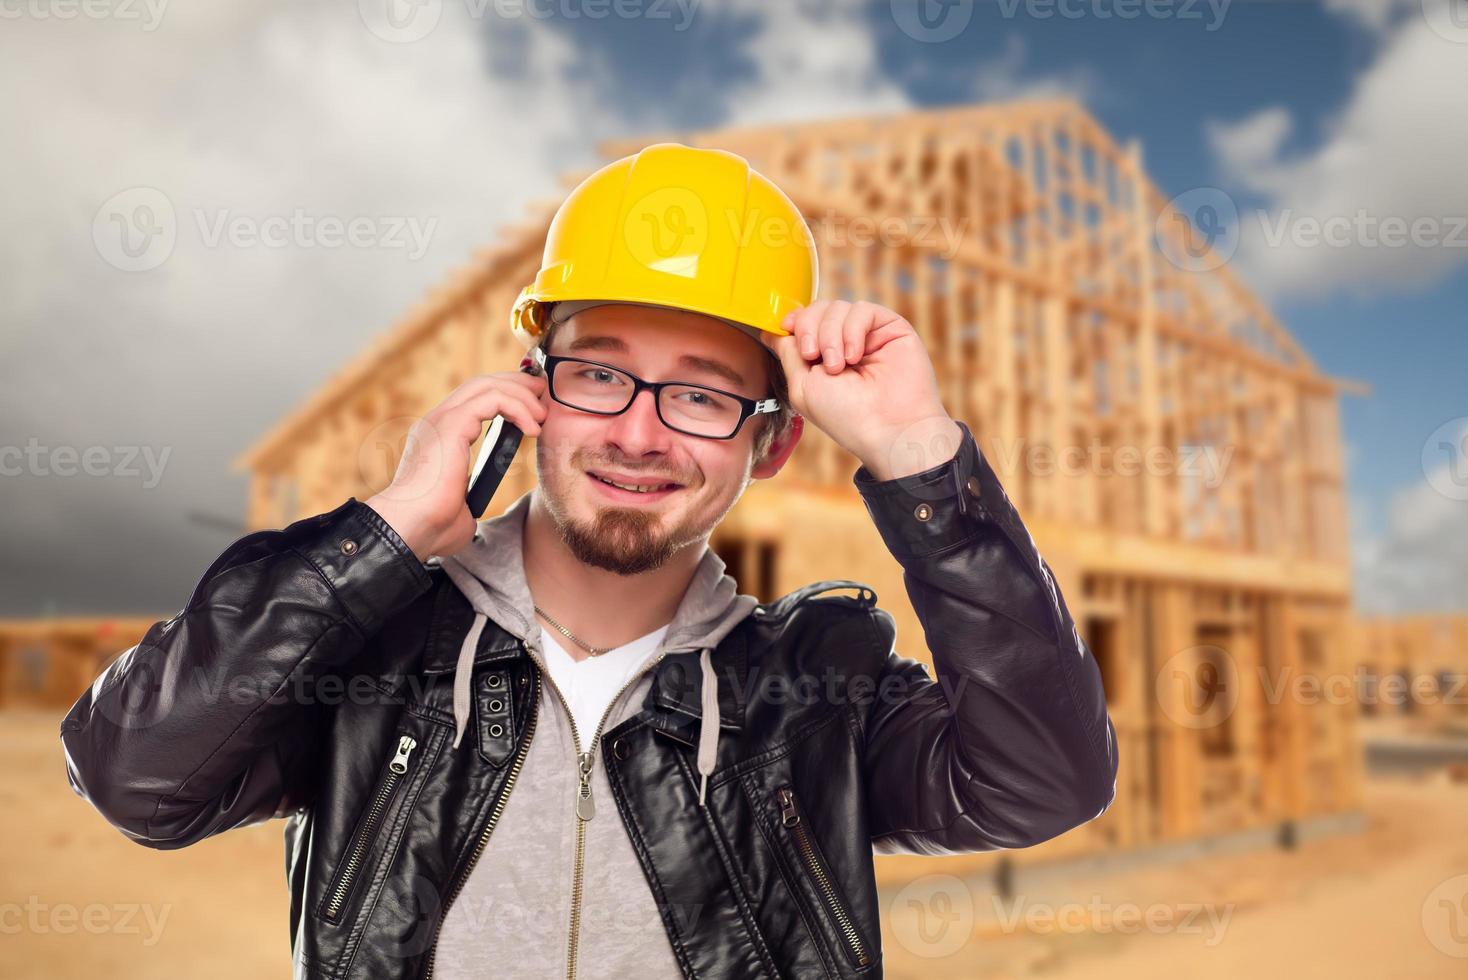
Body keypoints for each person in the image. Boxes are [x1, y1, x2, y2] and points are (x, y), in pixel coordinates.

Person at [60, 143, 1118, 979]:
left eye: (701, 393)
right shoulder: (374, 656)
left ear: (772, 440)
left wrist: (919, 461)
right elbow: (135, 773)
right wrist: (377, 538)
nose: (639, 434)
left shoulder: (809, 695)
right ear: (534, 392)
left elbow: (1042, 782)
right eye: (598, 375)